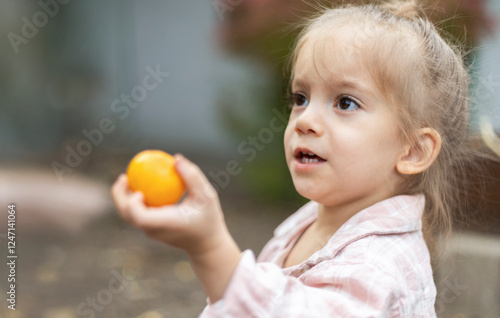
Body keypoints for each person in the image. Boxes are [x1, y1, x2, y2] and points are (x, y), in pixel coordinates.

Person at [112, 0, 486, 316]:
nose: (306, 120)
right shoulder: (314, 219)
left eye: (345, 103)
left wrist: (209, 247)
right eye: (301, 98)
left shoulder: (381, 262)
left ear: (413, 150)